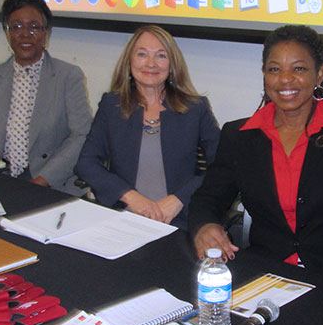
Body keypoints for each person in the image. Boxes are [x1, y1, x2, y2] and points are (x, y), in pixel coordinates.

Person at [188, 24, 323, 288]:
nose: (285, 79)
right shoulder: (240, 136)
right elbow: (207, 198)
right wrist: (204, 226)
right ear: (264, 75)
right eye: (274, 69)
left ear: (319, 74)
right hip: (265, 273)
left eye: (299, 68)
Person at [75, 25, 220, 229]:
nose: (151, 63)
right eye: (142, 54)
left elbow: (221, 166)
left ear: (172, 65)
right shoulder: (111, 105)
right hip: (123, 216)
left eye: (161, 56)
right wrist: (130, 197)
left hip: (179, 219)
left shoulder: (196, 108)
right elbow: (86, 163)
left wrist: (178, 200)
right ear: (129, 62)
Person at [0, 0, 92, 195]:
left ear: (46, 33)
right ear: (6, 32)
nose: (25, 34)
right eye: (16, 27)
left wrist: (41, 181)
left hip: (51, 183)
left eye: (34, 27)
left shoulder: (67, 76)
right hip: (1, 179)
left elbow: (81, 135)